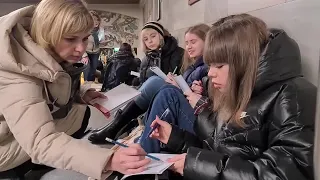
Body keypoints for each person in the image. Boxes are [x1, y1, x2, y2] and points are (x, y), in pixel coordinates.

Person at [143, 14, 315, 179]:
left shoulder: (290, 97)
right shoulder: (232, 89)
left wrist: (194, 164)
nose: (210, 73)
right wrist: (175, 138)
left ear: (244, 62)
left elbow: (279, 175)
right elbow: (220, 151)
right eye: (210, 65)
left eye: (219, 65)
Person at [0, 0, 150, 179]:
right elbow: (41, 141)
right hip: (3, 144)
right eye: (71, 39)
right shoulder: (17, 71)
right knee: (52, 136)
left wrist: (80, 94)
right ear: (48, 33)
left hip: (11, 128)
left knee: (80, 112)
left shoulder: (42, 44)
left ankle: (46, 161)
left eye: (85, 38)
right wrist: (107, 160)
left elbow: (49, 85)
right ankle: (21, 169)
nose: (81, 49)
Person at [89, 24, 210, 144]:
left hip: (181, 104)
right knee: (143, 89)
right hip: (165, 97)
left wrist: (180, 85)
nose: (188, 47)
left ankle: (120, 128)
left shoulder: (184, 57)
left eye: (193, 42)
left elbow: (204, 97)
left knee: (154, 83)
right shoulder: (149, 58)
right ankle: (118, 126)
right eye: (187, 43)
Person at [83, 10, 105, 82]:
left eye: (96, 19)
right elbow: (81, 42)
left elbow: (100, 41)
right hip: (86, 51)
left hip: (96, 51)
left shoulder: (101, 30)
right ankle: (86, 83)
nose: (95, 21)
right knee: (87, 67)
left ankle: (90, 84)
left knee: (93, 69)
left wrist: (103, 42)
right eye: (92, 19)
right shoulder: (85, 29)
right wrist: (84, 55)